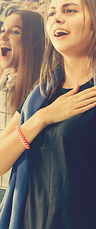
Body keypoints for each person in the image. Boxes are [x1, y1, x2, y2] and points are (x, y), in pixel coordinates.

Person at [0, 0, 96, 229]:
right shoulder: (40, 96)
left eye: (70, 11)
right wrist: (43, 117)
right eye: (52, 14)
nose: (57, 19)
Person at [0, 10, 45, 203]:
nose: (3, 36)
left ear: (33, 41)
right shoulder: (4, 82)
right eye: (3, 30)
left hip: (14, 191)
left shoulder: (37, 93)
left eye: (15, 31)